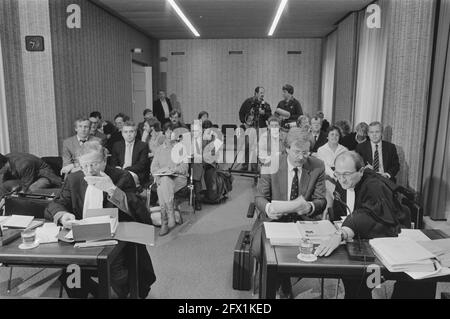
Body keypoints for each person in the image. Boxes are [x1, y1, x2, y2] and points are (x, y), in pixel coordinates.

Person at [314, 151, 436, 299]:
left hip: (391, 247)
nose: (341, 180)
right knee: (352, 279)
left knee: (359, 279)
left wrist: (341, 233)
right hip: (368, 242)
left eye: (346, 174)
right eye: (337, 174)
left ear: (361, 170)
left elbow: (370, 214)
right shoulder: (348, 180)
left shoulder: (374, 186)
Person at [45, 140, 156, 298]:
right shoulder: (74, 179)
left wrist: (112, 189)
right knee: (71, 270)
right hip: (82, 238)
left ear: (104, 161)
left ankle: (122, 291)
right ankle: (86, 292)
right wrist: (63, 216)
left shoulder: (122, 176)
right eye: (84, 166)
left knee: (117, 274)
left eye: (95, 164)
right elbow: (56, 204)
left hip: (116, 238)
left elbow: (139, 211)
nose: (89, 171)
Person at [252, 128, 326, 298]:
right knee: (259, 249)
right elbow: (259, 197)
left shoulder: (317, 166)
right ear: (286, 148)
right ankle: (283, 287)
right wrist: (269, 209)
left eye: (306, 152)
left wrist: (310, 207)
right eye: (297, 152)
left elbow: (321, 200)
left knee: (312, 252)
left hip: (303, 221)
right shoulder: (272, 163)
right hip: (273, 220)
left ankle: (276, 286)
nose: (301, 157)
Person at [150, 122, 188, 236]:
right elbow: (153, 167)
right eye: (167, 131)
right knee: (165, 181)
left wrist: (173, 169)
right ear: (163, 133)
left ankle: (164, 222)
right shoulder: (159, 149)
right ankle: (169, 213)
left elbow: (184, 167)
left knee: (163, 185)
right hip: (163, 179)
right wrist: (160, 173)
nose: (170, 133)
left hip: (178, 178)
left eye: (172, 131)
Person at [316, 126, 348, 208]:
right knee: (329, 202)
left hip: (341, 178)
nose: (334, 137)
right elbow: (324, 166)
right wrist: (334, 175)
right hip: (326, 179)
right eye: (332, 134)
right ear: (327, 136)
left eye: (337, 135)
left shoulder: (344, 150)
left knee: (340, 201)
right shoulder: (321, 150)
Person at [110, 121, 150, 187]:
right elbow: (113, 163)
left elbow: (141, 165)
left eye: (131, 131)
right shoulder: (117, 145)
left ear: (136, 133)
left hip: (136, 174)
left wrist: (125, 170)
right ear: (122, 133)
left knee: (124, 179)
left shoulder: (142, 145)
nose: (128, 134)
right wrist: (118, 169)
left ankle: (115, 192)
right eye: (126, 132)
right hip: (120, 174)